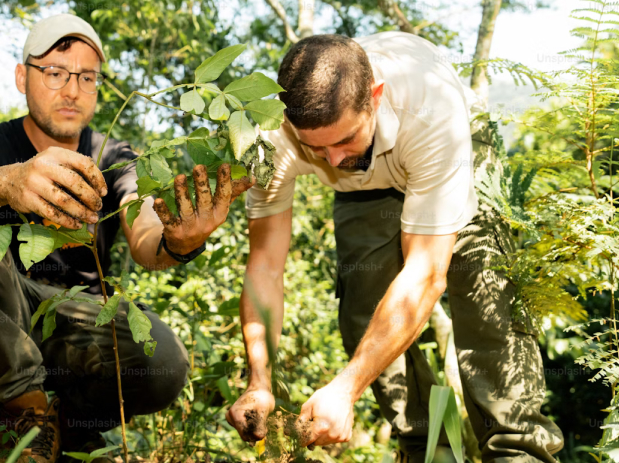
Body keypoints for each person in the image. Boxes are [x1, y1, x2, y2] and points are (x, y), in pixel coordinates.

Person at [0, 13, 252, 463]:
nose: (71, 90)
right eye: (55, 73)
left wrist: (181, 239)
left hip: (77, 320)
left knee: (164, 362)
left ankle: (70, 427)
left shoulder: (116, 157)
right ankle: (26, 413)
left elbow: (145, 230)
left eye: (87, 77)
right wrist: (8, 182)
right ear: (23, 76)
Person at [224, 33, 564, 462]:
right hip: (365, 185)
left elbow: (425, 276)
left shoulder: (432, 110)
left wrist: (345, 389)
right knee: (363, 308)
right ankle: (426, 448)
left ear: (375, 97)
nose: (330, 160)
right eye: (315, 147)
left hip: (451, 151)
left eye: (343, 139)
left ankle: (518, 450)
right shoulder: (272, 138)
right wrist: (259, 381)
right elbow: (265, 268)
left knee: (485, 297)